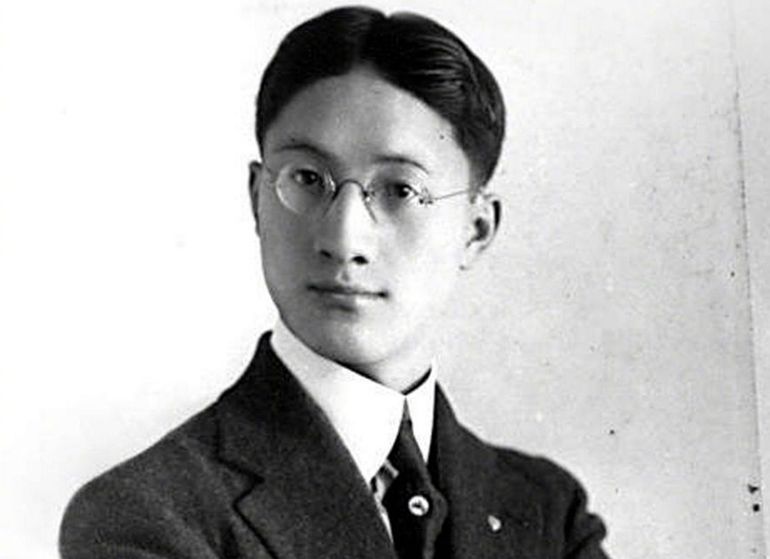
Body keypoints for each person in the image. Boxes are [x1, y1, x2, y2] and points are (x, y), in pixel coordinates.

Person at [59, 6, 610, 559]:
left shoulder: (549, 514)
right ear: (256, 198)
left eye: (400, 190)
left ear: (476, 229)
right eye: (306, 178)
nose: (344, 239)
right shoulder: (146, 515)